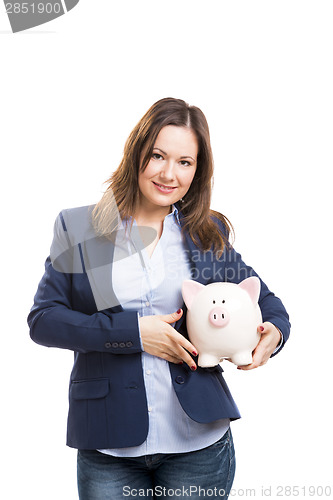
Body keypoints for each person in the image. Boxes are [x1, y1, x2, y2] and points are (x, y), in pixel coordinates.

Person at [27, 97, 290, 499]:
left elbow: (265, 301)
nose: (169, 173)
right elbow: (44, 320)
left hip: (198, 442)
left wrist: (273, 333)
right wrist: (133, 333)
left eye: (185, 162)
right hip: (109, 444)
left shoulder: (206, 231)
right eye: (158, 156)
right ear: (137, 154)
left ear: (197, 171)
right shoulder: (78, 227)